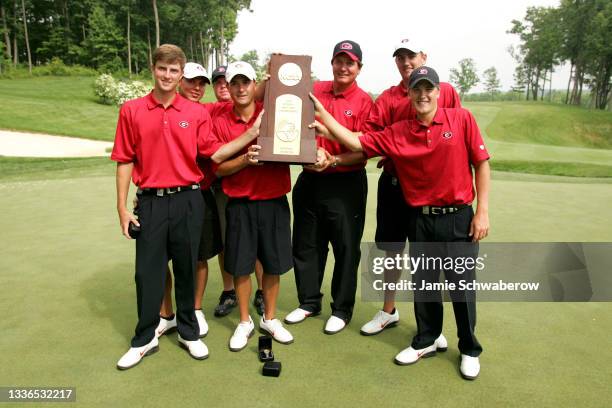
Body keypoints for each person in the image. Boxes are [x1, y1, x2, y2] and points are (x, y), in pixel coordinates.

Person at [310, 66, 490, 380]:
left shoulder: (461, 119)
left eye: (428, 89)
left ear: (438, 91)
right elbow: (357, 143)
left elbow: (481, 164)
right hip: (420, 218)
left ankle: (469, 348)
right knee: (425, 287)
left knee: (461, 288)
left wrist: (482, 211)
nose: (422, 95)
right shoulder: (400, 131)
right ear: (408, 94)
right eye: (416, 89)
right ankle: (426, 339)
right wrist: (326, 116)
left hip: (458, 217)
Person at [113, 45, 211, 369]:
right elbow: (125, 159)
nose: (167, 75)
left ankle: (188, 331)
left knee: (185, 268)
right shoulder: (132, 110)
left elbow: (214, 153)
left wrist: (255, 134)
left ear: (181, 75)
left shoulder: (198, 112)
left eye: (174, 70)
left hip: (189, 199)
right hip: (151, 201)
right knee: (147, 273)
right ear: (153, 69)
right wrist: (122, 208)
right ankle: (144, 338)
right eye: (162, 69)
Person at [359, 38, 461, 336]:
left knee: (428, 257)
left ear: (423, 56)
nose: (406, 62)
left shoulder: (447, 92)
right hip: (394, 186)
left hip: (429, 191)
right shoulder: (389, 98)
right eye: (400, 57)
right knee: (392, 251)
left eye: (411, 56)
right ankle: (388, 311)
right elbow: (371, 139)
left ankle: (431, 327)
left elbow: (453, 137)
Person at [285, 40, 373, 335]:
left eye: (350, 62)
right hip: (310, 179)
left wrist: (333, 158)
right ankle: (309, 301)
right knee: (307, 244)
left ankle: (342, 308)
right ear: (332, 63)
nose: (343, 67)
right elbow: (291, 122)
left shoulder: (364, 102)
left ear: (359, 68)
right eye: (339, 61)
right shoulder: (315, 89)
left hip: (345, 182)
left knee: (346, 247)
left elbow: (365, 149)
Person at [208, 61, 297, 351]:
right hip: (239, 203)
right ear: (229, 88)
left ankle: (270, 318)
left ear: (254, 84)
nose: (240, 88)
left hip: (273, 200)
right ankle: (245, 321)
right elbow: (218, 168)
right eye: (234, 83)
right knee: (241, 266)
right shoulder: (220, 119)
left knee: (272, 264)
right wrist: (246, 159)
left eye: (245, 82)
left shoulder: (272, 112)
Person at [208, 65, 266, 318]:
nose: (227, 86)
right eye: (220, 82)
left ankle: (262, 292)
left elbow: (260, 92)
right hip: (221, 185)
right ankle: (229, 291)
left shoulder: (261, 108)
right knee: (225, 242)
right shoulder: (211, 111)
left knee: (257, 245)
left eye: (227, 81)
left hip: (256, 187)